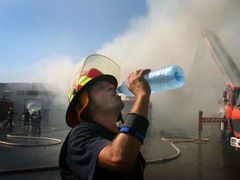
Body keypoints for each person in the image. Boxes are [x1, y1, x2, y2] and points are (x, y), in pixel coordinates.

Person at [59, 67, 151, 180]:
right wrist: (142, 95)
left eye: (110, 85)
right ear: (85, 103)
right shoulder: (79, 135)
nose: (112, 86)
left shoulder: (120, 135)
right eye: (100, 87)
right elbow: (119, 158)